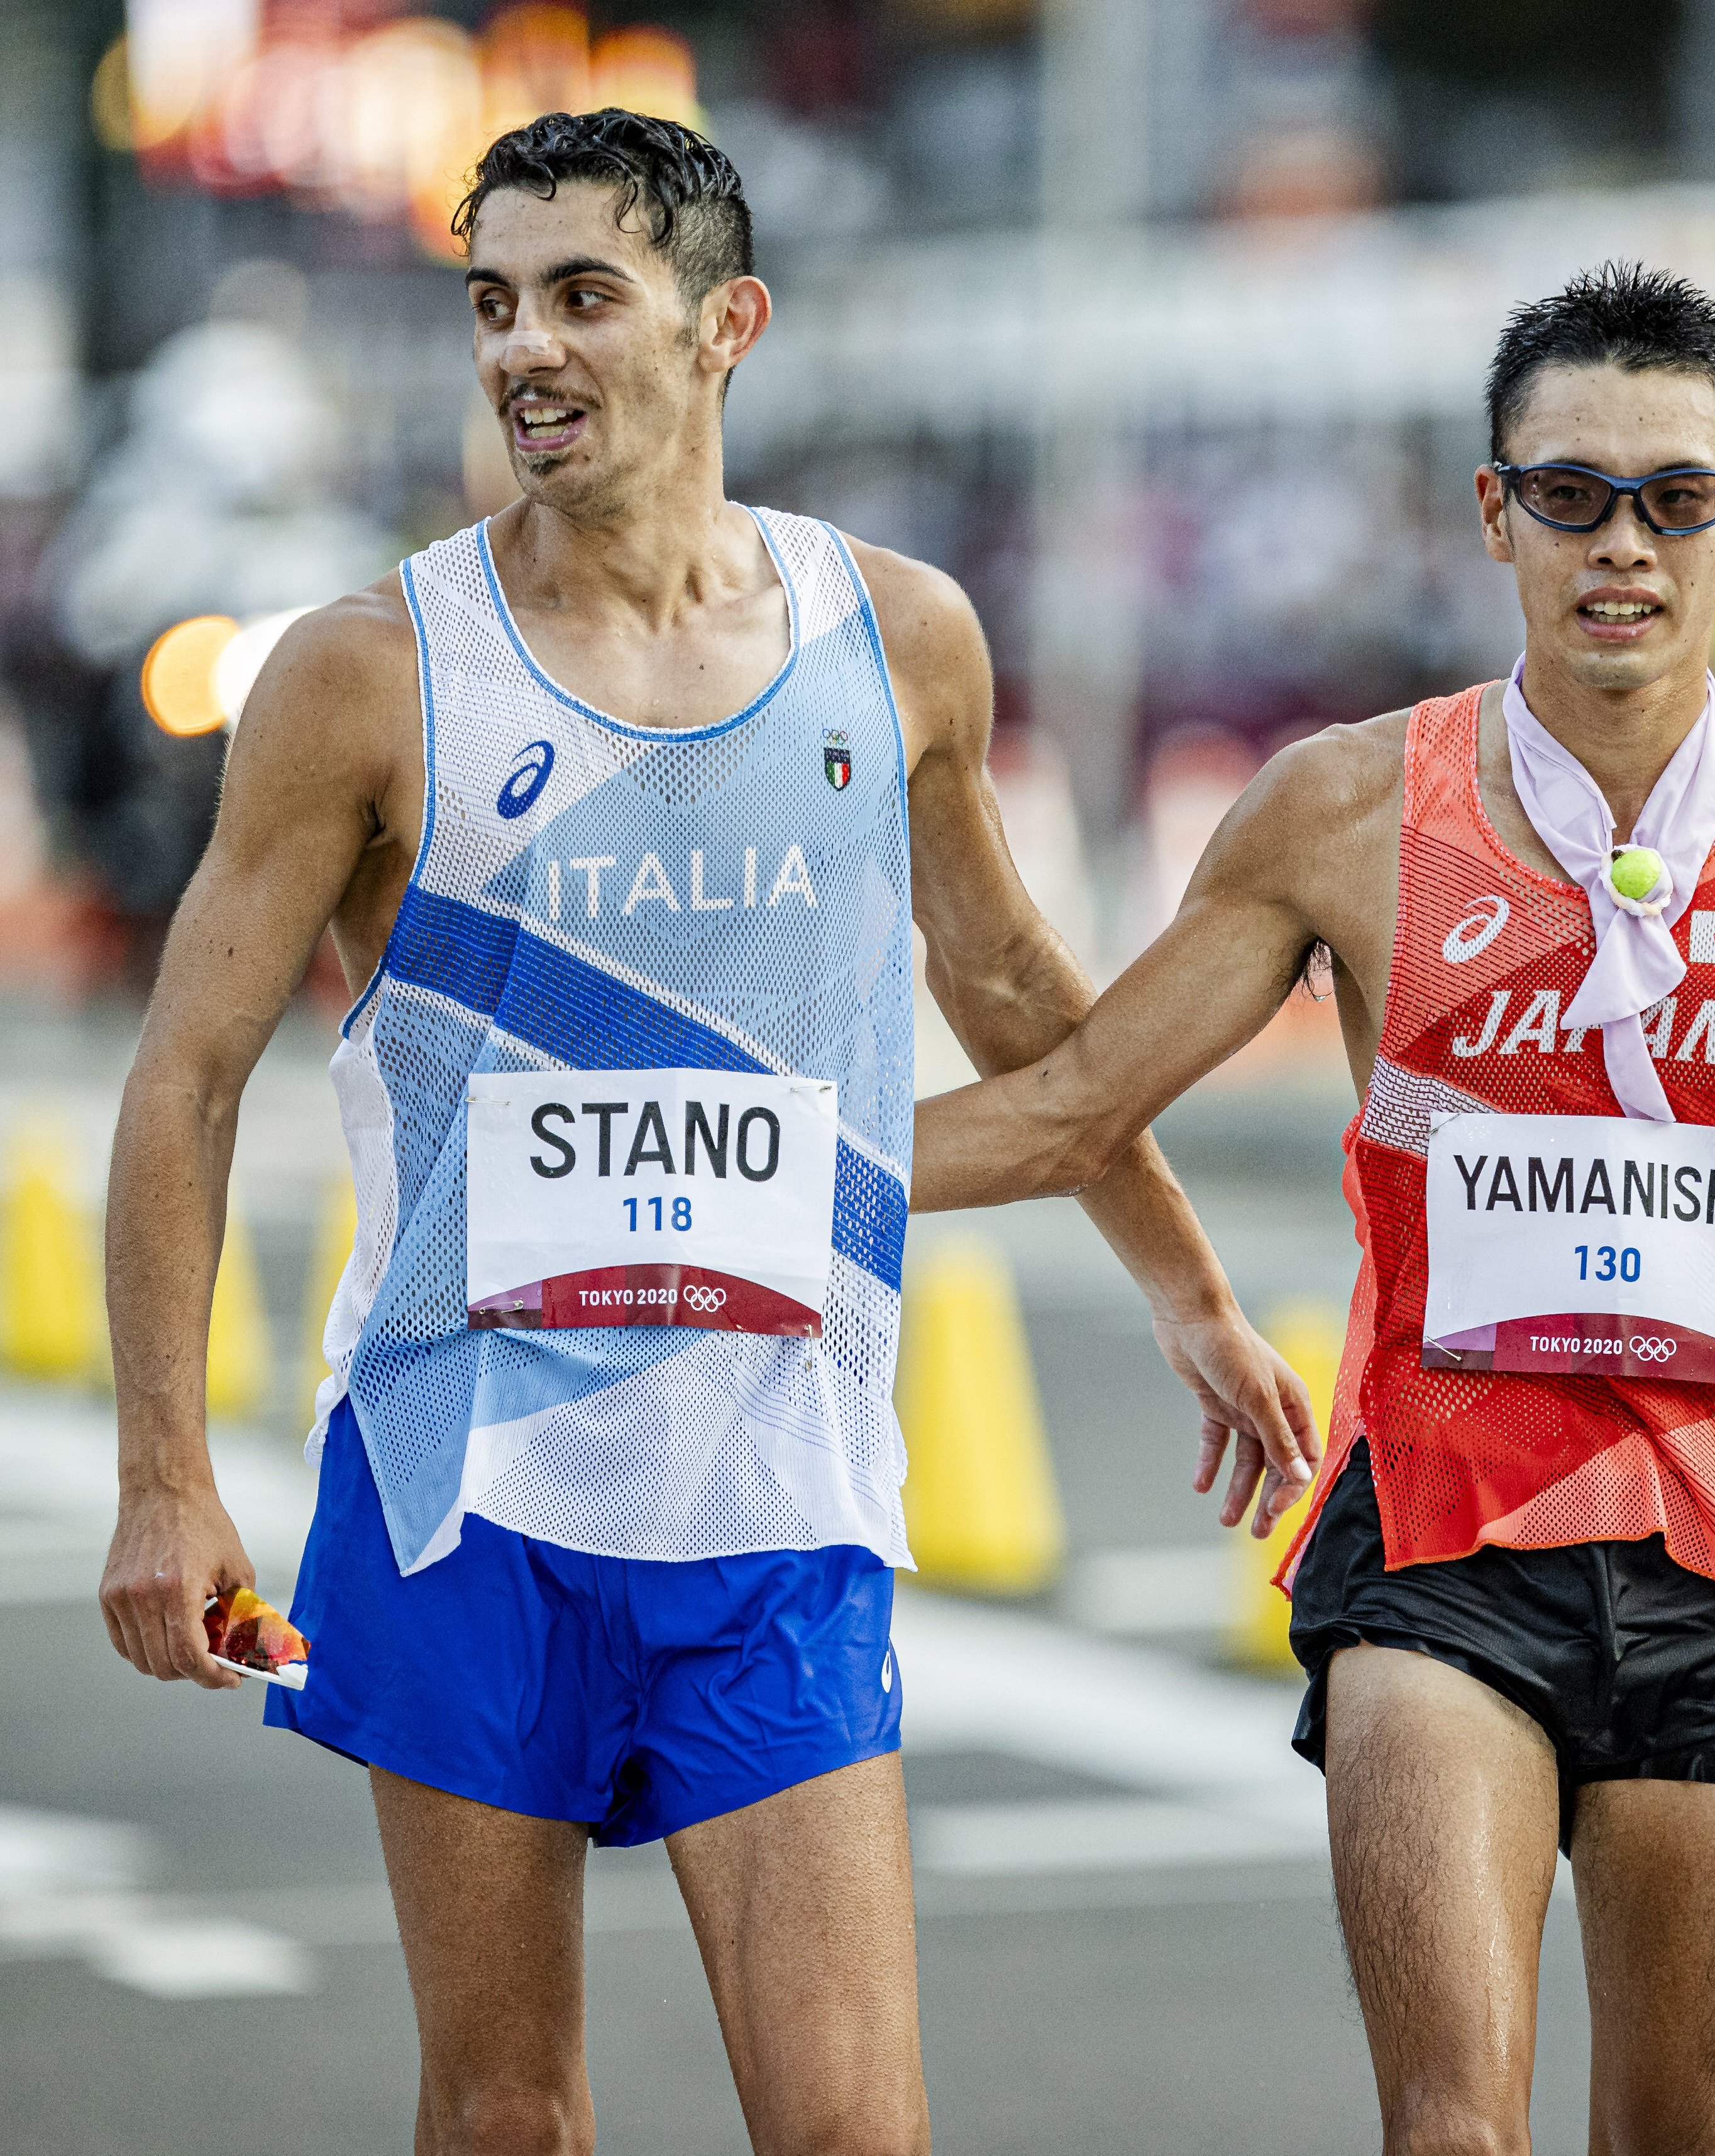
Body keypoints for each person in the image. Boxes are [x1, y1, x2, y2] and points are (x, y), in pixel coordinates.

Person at [96, 109, 1315, 2156]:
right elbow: (186, 1073)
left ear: (727, 325)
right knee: (508, 2123)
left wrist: (1190, 1291)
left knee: (854, 2131)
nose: (523, 350)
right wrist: (161, 1480)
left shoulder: (895, 637)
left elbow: (1020, 1000)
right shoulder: (363, 676)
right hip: (460, 1486)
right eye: (492, 304)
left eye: (585, 295)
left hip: (780, 1496)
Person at [915, 262, 1715, 2153]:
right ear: (1491, 508)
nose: (1620, 543)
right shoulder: (1344, 806)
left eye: (1672, 497)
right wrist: (768, 1180)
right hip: (1438, 1537)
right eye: (1566, 493)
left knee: (1672, 2136)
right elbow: (1072, 1101)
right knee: (1451, 2127)